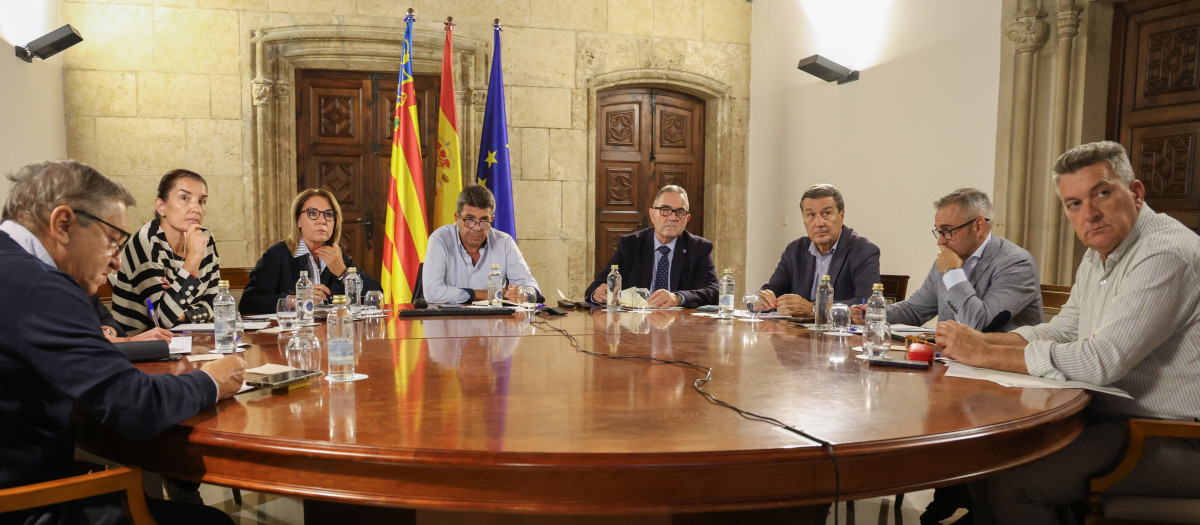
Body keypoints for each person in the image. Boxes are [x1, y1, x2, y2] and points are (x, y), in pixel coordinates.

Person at [935, 142, 1200, 524]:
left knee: (1015, 485)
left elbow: (1101, 360)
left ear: (1136, 193)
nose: (1089, 213)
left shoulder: (1164, 253)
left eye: (1102, 193)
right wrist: (981, 340)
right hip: (1108, 418)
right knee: (984, 458)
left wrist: (985, 353)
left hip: (1173, 435)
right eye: (1074, 203)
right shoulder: (1098, 253)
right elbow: (1063, 329)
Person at [0, 160, 243, 525]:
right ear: (63, 224)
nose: (116, 263)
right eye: (112, 241)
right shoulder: (39, 288)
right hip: (25, 506)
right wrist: (212, 380)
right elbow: (135, 407)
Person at [852, 188, 1042, 332]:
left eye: (948, 230)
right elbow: (915, 309)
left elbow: (979, 324)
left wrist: (953, 273)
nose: (941, 241)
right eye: (939, 232)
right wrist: (873, 314)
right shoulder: (949, 260)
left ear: (978, 226)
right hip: (950, 361)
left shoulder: (1016, 263)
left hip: (998, 368)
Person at [239, 188, 381, 315]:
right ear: (298, 220)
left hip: (332, 331)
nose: (322, 221)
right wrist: (295, 300)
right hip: (291, 334)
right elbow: (248, 303)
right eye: (312, 213)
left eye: (328, 214)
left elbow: (376, 296)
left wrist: (343, 273)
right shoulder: (278, 255)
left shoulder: (337, 256)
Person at [111, 169, 221, 331]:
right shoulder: (145, 241)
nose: (196, 208)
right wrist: (193, 258)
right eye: (184, 198)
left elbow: (217, 304)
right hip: (139, 341)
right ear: (161, 206)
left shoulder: (205, 238)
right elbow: (163, 320)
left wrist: (181, 313)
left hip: (191, 338)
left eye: (202, 201)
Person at [584, 185, 718, 308]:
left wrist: (678, 298)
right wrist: (597, 294)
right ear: (652, 215)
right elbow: (595, 289)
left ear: (687, 219)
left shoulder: (698, 248)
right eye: (665, 210)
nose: (673, 218)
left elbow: (714, 292)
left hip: (679, 323)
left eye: (680, 212)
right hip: (636, 322)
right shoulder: (630, 245)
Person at [756, 183, 880, 315]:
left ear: (842, 215)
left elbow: (867, 303)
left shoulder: (863, 250)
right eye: (811, 215)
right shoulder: (795, 250)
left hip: (839, 328)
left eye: (826, 213)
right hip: (796, 327)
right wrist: (762, 300)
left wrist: (813, 309)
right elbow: (774, 289)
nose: (819, 223)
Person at [423, 185, 542, 305]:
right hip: (449, 316)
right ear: (457, 218)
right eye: (469, 219)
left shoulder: (504, 242)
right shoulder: (441, 239)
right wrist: (482, 294)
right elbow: (432, 292)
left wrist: (523, 294)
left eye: (484, 220)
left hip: (494, 316)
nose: (477, 228)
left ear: (492, 219)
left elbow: (531, 285)